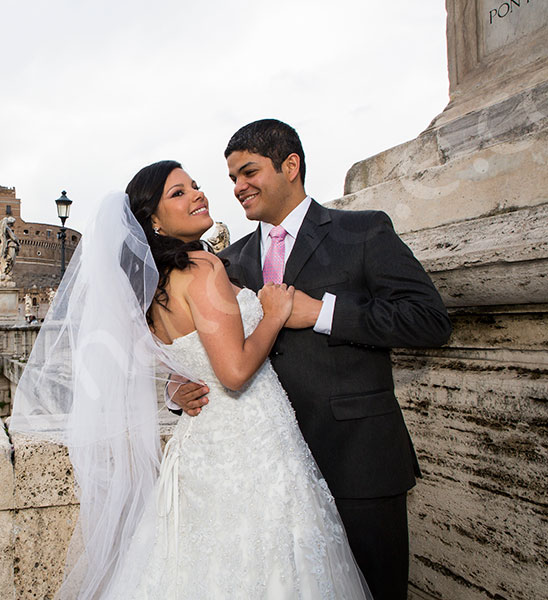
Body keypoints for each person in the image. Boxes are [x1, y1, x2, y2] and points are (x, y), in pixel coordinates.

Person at [11, 160, 371, 599]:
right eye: (178, 193)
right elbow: (235, 373)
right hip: (252, 443)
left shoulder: (150, 290)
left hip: (200, 445)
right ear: (154, 222)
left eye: (195, 186)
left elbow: (182, 361)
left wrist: (175, 388)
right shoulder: (202, 269)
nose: (198, 195)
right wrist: (273, 316)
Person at [172, 119, 452, 599]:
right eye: (233, 179)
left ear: (291, 166)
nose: (238, 188)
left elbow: (428, 320)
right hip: (269, 471)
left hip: (358, 461)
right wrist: (177, 389)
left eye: (249, 172)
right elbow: (198, 345)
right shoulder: (229, 261)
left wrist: (322, 312)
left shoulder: (362, 231)